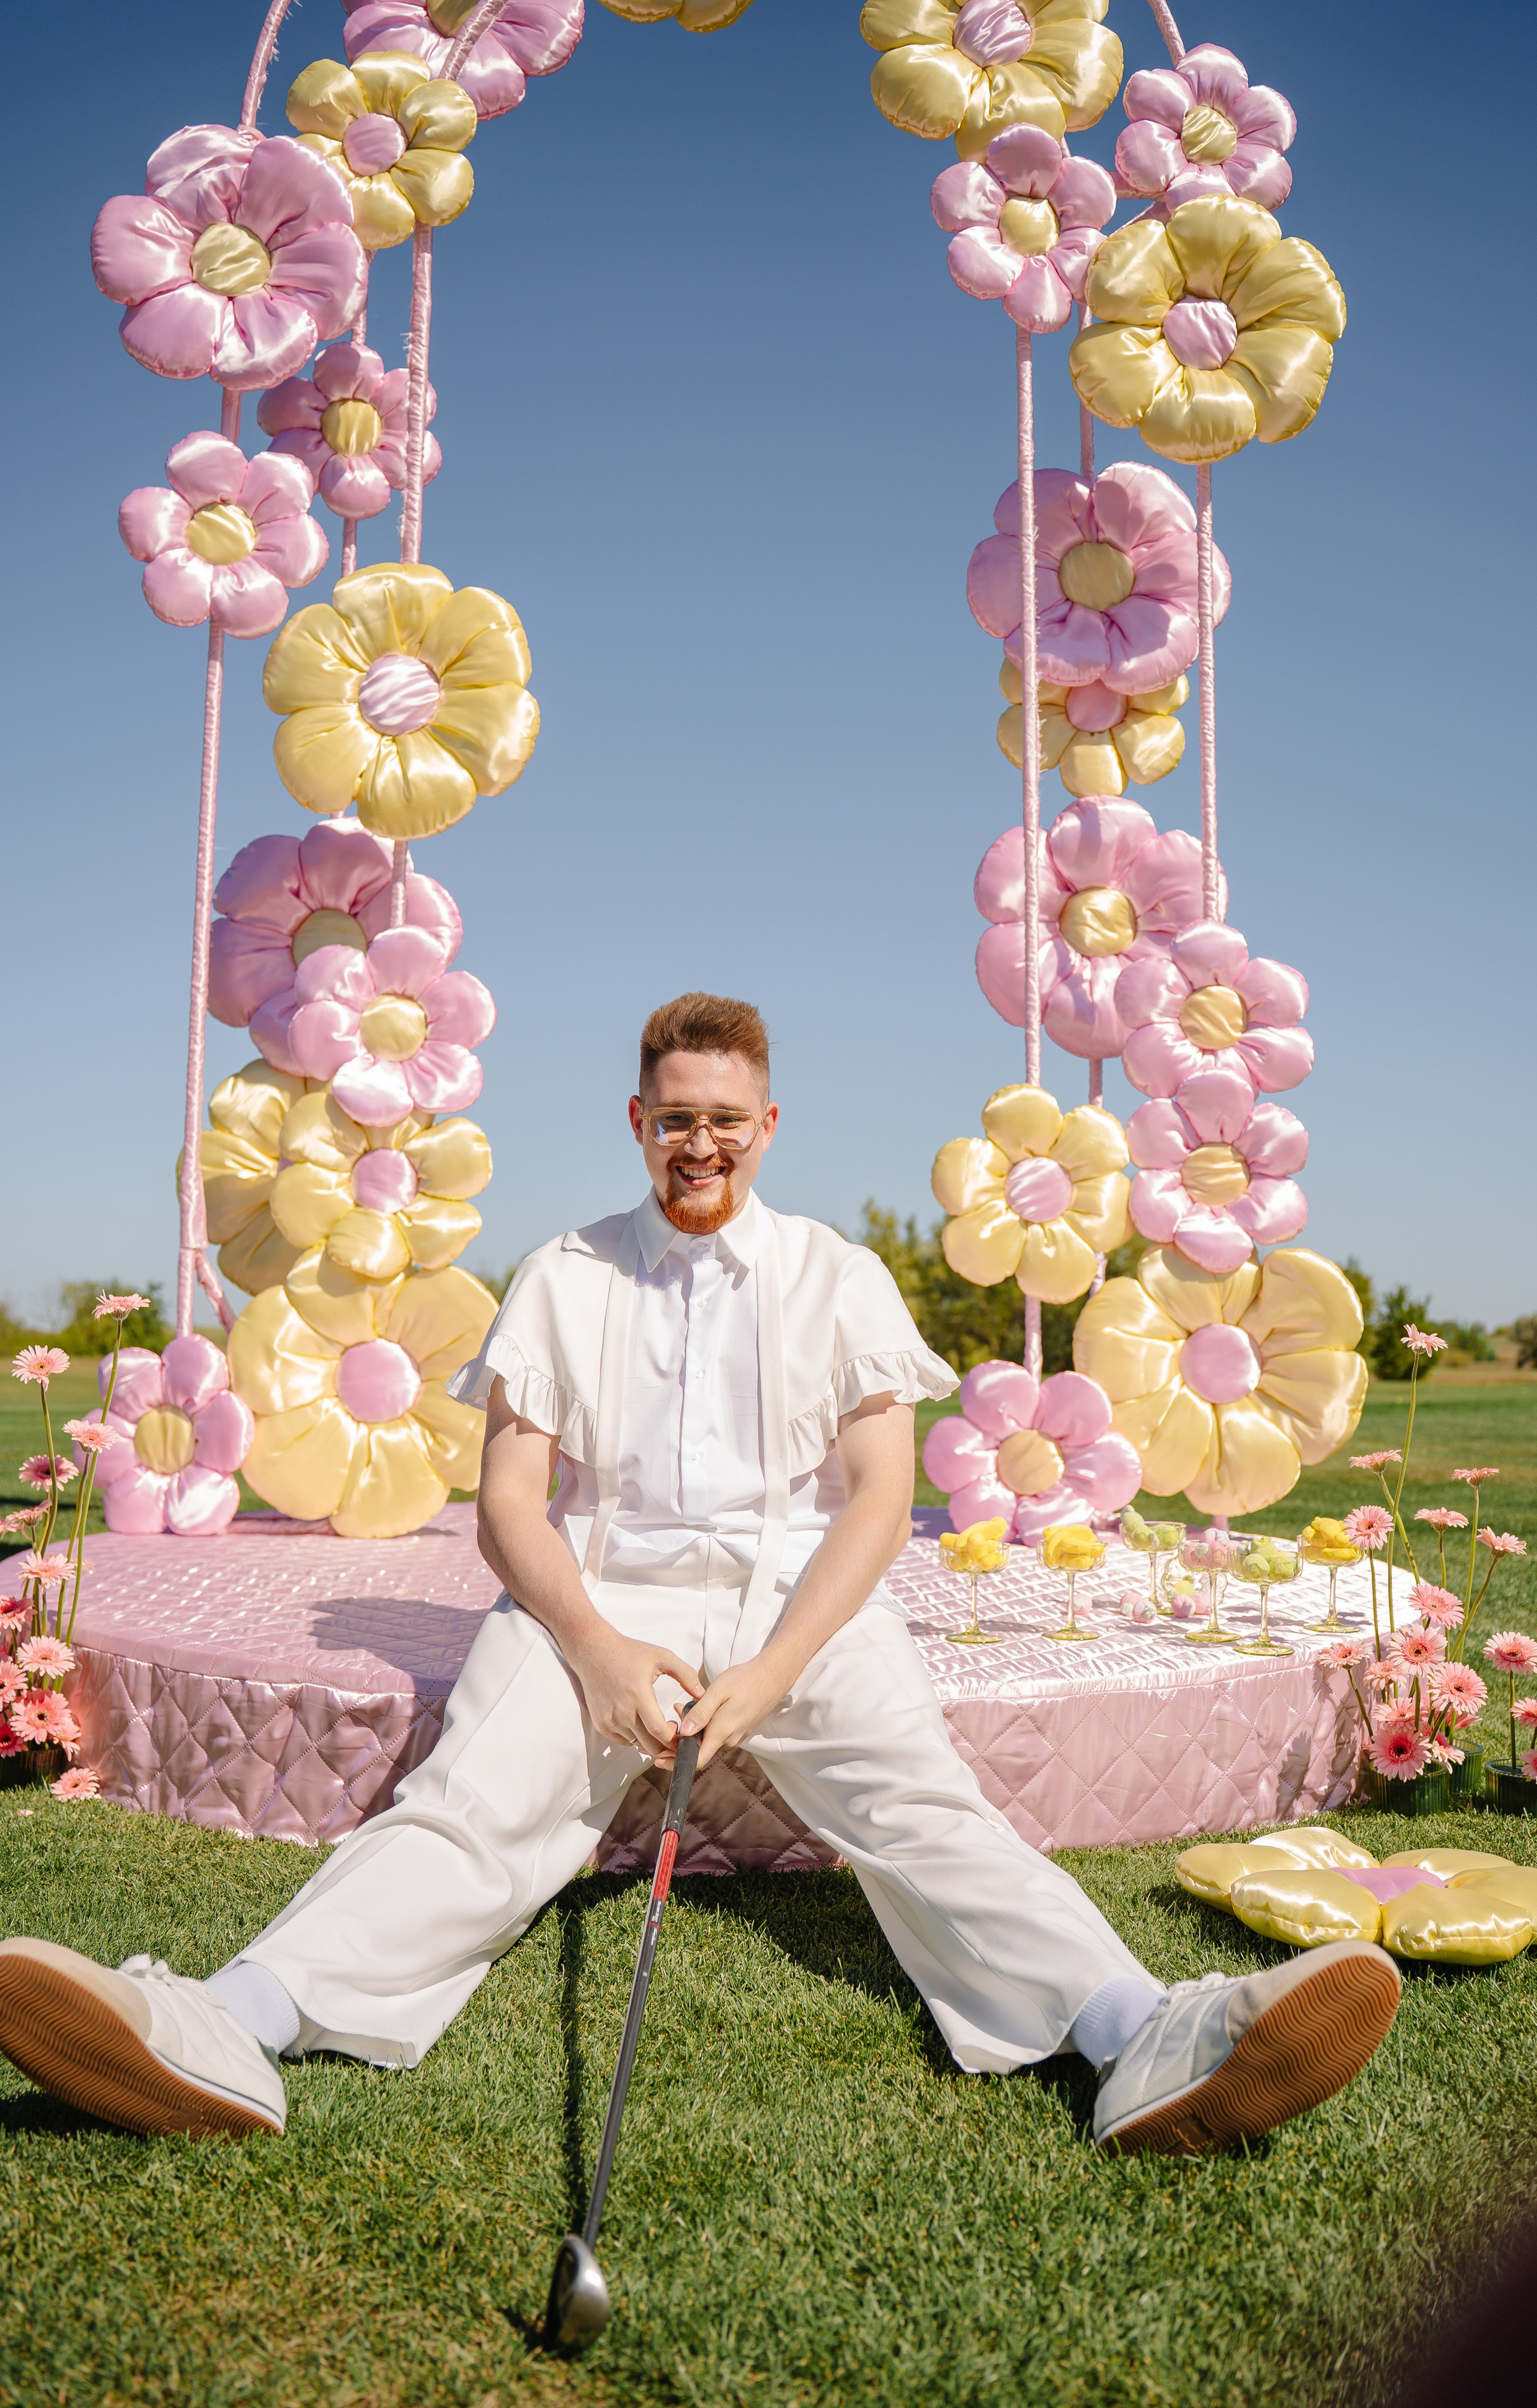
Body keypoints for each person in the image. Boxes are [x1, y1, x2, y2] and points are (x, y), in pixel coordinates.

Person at [0, 992, 1400, 2155]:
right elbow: (506, 1502)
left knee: (923, 1808)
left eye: (725, 1117)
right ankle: (225, 2025)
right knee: (469, 1810)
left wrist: (776, 1672)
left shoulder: (836, 1270)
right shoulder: (561, 1269)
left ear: (766, 1126)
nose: (700, 1140)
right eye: (675, 1115)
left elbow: (877, 1494)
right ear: (637, 1122)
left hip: (797, 1598)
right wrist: (601, 1653)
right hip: (591, 1592)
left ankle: (1140, 2035)